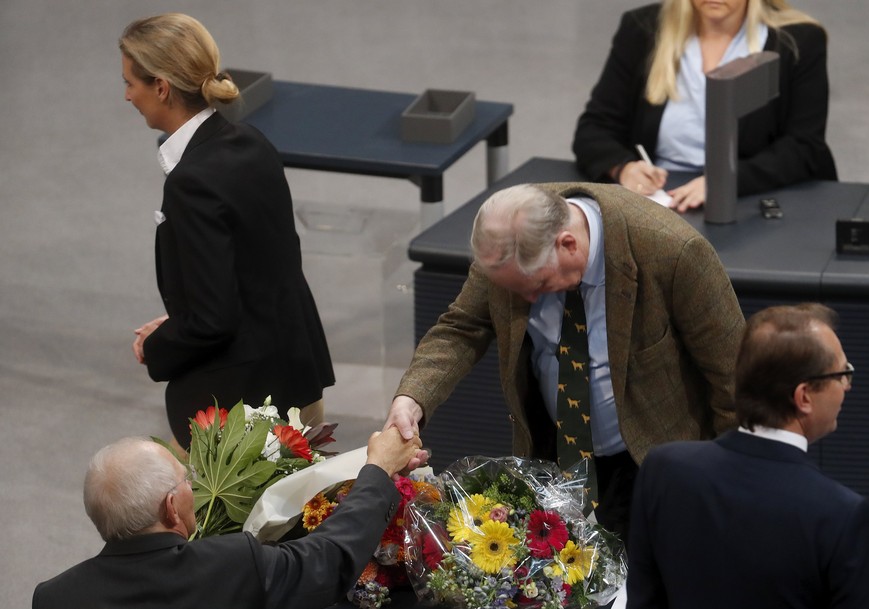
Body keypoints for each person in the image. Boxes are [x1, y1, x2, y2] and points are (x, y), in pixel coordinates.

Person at [384, 182, 745, 543]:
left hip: (657, 462)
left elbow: (736, 377)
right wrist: (412, 398)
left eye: (537, 285)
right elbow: (461, 327)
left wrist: (729, 481)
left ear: (568, 244)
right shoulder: (507, 241)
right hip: (554, 457)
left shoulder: (674, 251)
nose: (526, 299)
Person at [120, 13, 334, 448]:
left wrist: (160, 344)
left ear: (161, 87)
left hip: (242, 425)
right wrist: (179, 318)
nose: (127, 96)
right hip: (298, 392)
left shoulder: (190, 182)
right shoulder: (252, 143)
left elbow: (213, 321)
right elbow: (259, 274)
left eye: (131, 83)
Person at [627, 303, 869, 608]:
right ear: (804, 397)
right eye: (842, 374)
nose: (847, 386)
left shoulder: (663, 470)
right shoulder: (840, 515)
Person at [32, 428, 427, 609]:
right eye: (187, 480)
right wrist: (377, 468)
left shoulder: (53, 598)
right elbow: (328, 559)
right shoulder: (232, 563)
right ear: (171, 508)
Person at [572, 0, 837, 212]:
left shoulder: (799, 40)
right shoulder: (642, 28)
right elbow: (594, 128)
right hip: (664, 199)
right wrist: (624, 167)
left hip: (754, 198)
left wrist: (723, 182)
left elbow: (804, 146)